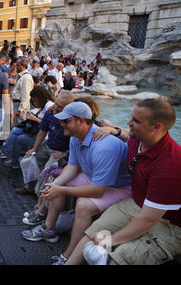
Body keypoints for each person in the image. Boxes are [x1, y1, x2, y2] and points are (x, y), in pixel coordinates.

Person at [66, 99, 181, 265]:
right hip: (136, 203)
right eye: (131, 117)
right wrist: (114, 129)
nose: (129, 122)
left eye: (136, 121)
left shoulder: (170, 166)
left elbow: (149, 219)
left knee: (118, 260)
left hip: (168, 225)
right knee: (90, 235)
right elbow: (128, 134)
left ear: (156, 127)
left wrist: (110, 241)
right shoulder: (139, 138)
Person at [22, 101, 132, 265]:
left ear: (80, 121)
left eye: (66, 121)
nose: (61, 124)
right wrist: (56, 185)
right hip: (97, 179)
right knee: (56, 182)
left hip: (119, 187)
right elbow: (73, 166)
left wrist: (61, 191)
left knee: (82, 205)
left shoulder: (104, 147)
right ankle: (49, 229)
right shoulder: (76, 137)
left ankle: (69, 255)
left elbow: (98, 191)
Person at [15, 90, 76, 195]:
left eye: (60, 106)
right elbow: (43, 131)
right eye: (55, 103)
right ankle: (30, 187)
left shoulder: (73, 120)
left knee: (47, 171)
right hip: (48, 144)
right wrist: (34, 148)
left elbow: (76, 139)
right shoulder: (50, 113)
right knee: (29, 159)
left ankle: (41, 195)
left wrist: (65, 152)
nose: (55, 107)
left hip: (60, 151)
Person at [0, 85, 54, 169]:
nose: (34, 103)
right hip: (37, 131)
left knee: (19, 139)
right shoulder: (45, 105)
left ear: (40, 97)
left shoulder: (49, 106)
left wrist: (34, 118)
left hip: (43, 137)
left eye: (35, 100)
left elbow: (48, 125)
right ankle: (5, 152)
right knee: (16, 130)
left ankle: (12, 160)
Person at [10, 57, 34, 126]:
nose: (16, 67)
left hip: (20, 105)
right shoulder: (22, 76)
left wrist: (20, 109)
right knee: (17, 125)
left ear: (23, 66)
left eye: (18, 65)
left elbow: (26, 95)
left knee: (20, 126)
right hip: (17, 104)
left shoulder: (26, 78)